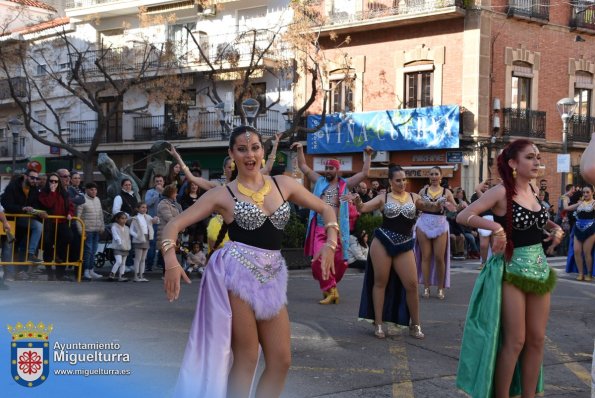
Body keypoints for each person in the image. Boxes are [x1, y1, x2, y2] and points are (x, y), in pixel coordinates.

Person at [161, 125, 337, 398]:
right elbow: (174, 224)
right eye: (242, 149)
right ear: (232, 153)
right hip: (236, 274)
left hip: (273, 275)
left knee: (281, 360)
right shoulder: (222, 194)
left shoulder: (283, 184)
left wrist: (330, 242)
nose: (249, 154)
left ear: (263, 151)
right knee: (247, 357)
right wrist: (171, 261)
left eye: (255, 147)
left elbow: (326, 208)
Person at [456, 139, 563, 397]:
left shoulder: (534, 190)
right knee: (516, 341)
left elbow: (537, 217)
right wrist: (496, 227)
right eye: (530, 157)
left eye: (538, 157)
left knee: (537, 339)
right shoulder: (502, 191)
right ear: (514, 163)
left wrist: (555, 228)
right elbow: (463, 216)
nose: (537, 161)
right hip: (510, 269)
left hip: (539, 269)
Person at [353, 165, 451, 339]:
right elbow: (363, 208)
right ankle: (379, 323)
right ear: (391, 182)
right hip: (383, 241)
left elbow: (432, 207)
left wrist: (441, 203)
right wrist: (358, 201)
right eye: (398, 180)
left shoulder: (414, 197)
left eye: (404, 179)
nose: (402, 183)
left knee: (412, 285)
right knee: (380, 282)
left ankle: (416, 324)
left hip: (405, 243)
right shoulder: (383, 198)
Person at [291, 142, 373, 304]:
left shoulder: (345, 184)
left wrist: (368, 155)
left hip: (337, 230)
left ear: (337, 170)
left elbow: (364, 173)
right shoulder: (319, 181)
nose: (327, 171)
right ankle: (331, 289)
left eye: (331, 168)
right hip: (320, 227)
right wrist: (300, 149)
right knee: (318, 261)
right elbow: (303, 166)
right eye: (326, 168)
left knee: (339, 262)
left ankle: (329, 288)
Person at [415, 166, 457, 299]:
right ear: (429, 177)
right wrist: (424, 204)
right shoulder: (423, 190)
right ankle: (426, 287)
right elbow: (417, 205)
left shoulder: (447, 192)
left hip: (440, 223)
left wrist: (447, 205)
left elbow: (454, 209)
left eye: (436, 174)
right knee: (425, 256)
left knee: (439, 257)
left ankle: (440, 288)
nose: (434, 177)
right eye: (431, 174)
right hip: (424, 222)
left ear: (441, 176)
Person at [0, 169, 46, 277]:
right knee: (8, 248)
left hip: (23, 220)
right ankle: (9, 275)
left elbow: (36, 205)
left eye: (36, 178)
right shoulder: (13, 187)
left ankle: (30, 256)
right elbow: (6, 205)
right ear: (25, 177)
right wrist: (22, 208)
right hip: (10, 220)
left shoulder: (34, 189)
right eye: (32, 178)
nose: (35, 180)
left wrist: (37, 212)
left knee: (38, 227)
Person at [38, 172, 75, 281]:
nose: (54, 183)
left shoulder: (64, 193)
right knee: (48, 248)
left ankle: (60, 274)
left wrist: (70, 214)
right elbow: (48, 204)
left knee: (68, 239)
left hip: (62, 222)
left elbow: (71, 206)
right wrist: (52, 192)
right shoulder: (44, 193)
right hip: (49, 224)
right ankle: (50, 273)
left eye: (56, 181)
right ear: (48, 182)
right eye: (51, 181)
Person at [565, 184, 595, 281]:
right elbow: (566, 208)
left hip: (590, 228)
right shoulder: (580, 203)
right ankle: (581, 273)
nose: (585, 194)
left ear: (592, 193)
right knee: (577, 251)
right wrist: (564, 196)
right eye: (584, 192)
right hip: (578, 228)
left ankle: (589, 274)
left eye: (587, 192)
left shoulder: (594, 203)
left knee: (587, 252)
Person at [76, 182, 104, 281]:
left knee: (94, 251)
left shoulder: (97, 200)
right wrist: (81, 231)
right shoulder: (82, 200)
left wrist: (102, 226)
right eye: (92, 189)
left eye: (95, 189)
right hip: (87, 230)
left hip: (96, 230)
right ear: (86, 190)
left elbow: (100, 214)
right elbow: (77, 217)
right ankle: (86, 271)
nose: (94, 191)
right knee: (87, 251)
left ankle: (91, 270)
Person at [157, 184, 183, 277]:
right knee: (167, 254)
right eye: (175, 193)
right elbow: (169, 218)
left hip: (174, 232)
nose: (176, 194)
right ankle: (166, 274)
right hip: (166, 233)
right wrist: (180, 225)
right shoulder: (163, 204)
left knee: (172, 254)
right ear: (170, 193)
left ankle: (171, 273)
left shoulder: (175, 204)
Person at [130, 202, 158, 282]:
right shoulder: (135, 218)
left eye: (145, 207)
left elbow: (155, 221)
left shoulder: (148, 217)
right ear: (137, 209)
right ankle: (135, 276)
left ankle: (141, 275)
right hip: (139, 239)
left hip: (146, 238)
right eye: (142, 207)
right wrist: (137, 236)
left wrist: (156, 219)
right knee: (138, 258)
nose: (144, 209)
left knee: (143, 259)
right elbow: (131, 230)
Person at [144, 174, 165, 271]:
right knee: (152, 243)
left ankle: (160, 263)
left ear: (163, 182)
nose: (159, 183)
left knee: (163, 243)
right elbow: (147, 203)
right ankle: (149, 265)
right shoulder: (150, 192)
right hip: (152, 222)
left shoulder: (166, 192)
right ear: (154, 182)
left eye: (160, 181)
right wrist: (157, 193)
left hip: (164, 222)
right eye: (157, 181)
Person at [109, 211, 131, 282]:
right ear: (117, 219)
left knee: (123, 262)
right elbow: (116, 236)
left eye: (125, 218)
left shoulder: (127, 228)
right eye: (122, 218)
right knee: (119, 261)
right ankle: (112, 274)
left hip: (125, 247)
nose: (124, 220)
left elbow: (128, 237)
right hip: (118, 247)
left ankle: (121, 275)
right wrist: (119, 242)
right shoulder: (114, 227)